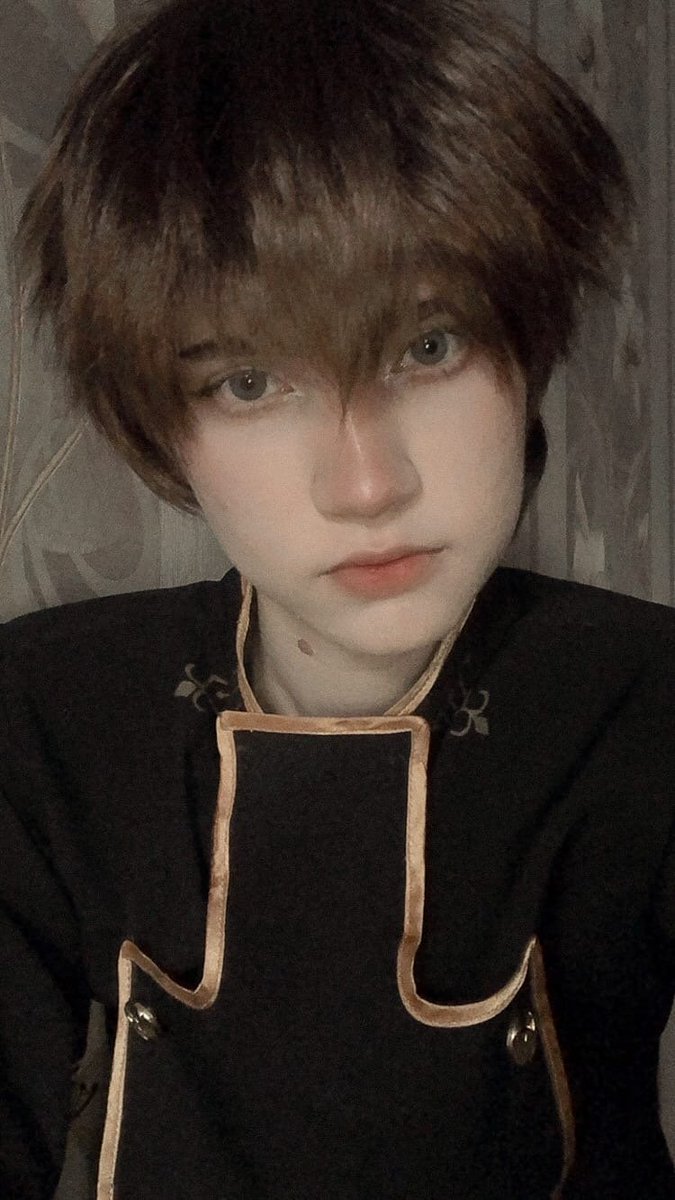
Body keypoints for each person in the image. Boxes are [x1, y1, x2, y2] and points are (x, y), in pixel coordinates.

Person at [1, 0, 674, 1196]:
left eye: (429, 347)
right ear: (157, 425)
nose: (366, 485)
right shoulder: (43, 716)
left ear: (529, 344)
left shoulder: (647, 705)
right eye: (250, 381)